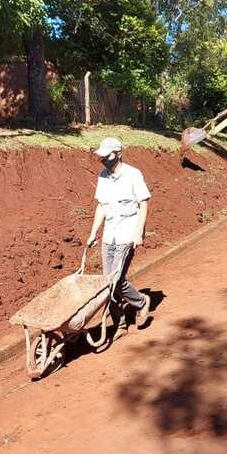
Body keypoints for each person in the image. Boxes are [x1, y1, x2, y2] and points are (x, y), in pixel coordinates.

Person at [86, 137, 152, 337]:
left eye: (107, 156)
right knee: (107, 281)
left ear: (118, 154)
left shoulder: (133, 175)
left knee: (115, 279)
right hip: (110, 234)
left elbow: (144, 203)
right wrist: (93, 233)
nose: (103, 160)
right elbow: (102, 206)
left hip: (127, 233)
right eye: (101, 156)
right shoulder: (103, 176)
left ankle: (141, 302)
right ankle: (120, 324)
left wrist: (138, 232)